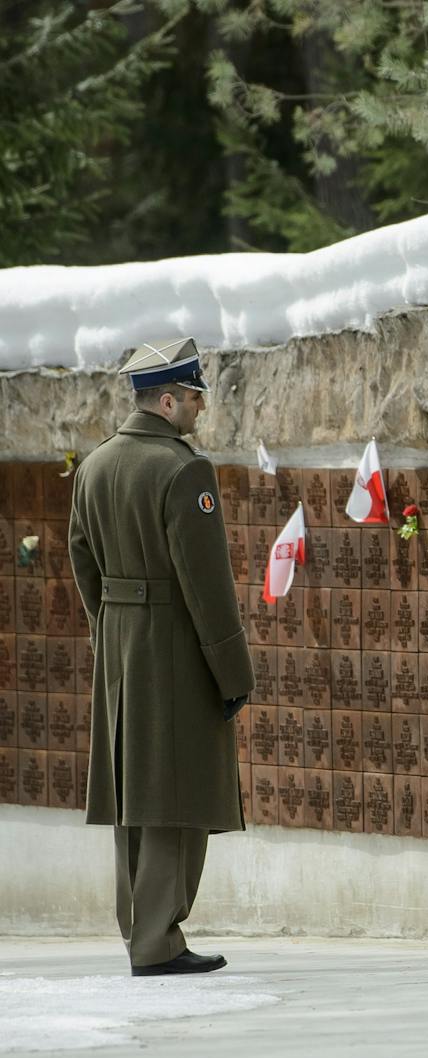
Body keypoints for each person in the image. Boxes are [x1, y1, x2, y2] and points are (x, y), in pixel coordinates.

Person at [68, 337, 254, 976]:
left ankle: (139, 933)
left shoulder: (94, 466)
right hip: (175, 647)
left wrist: (111, 629)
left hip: (120, 645)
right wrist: (232, 671)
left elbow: (82, 558)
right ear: (169, 400)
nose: (201, 409)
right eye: (196, 397)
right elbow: (207, 583)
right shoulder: (183, 471)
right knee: (178, 794)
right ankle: (158, 942)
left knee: (133, 796)